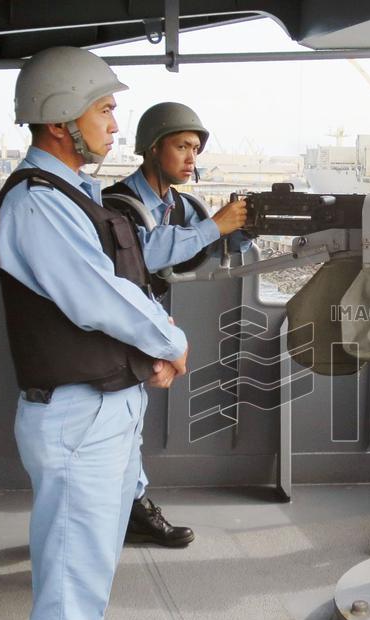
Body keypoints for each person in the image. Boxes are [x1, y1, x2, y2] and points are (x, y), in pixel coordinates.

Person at [0, 47, 221, 620]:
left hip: (105, 406)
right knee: (69, 573)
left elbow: (118, 283)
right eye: (105, 108)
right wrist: (169, 342)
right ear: (62, 118)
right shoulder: (37, 203)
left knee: (85, 565)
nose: (114, 122)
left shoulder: (76, 195)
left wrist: (150, 345)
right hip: (75, 414)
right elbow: (96, 298)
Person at [102, 102, 248, 548]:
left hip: (144, 321)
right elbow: (142, 254)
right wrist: (213, 228)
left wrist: (240, 228)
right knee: (113, 427)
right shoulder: (114, 204)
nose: (191, 157)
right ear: (151, 148)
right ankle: (118, 511)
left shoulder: (176, 205)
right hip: (112, 327)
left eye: (196, 149)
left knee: (131, 424)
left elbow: (197, 249)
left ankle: (132, 507)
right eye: (182, 146)